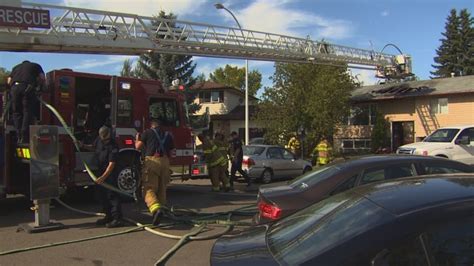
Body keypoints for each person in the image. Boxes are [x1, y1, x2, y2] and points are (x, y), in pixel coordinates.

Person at [135, 119, 174, 226]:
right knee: (162, 188)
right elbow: (171, 151)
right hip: (165, 162)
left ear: (152, 125)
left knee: (149, 188)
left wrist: (137, 139)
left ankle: (156, 209)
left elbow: (138, 147)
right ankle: (161, 210)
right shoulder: (168, 135)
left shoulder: (147, 132)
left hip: (152, 162)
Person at [81, 126, 122, 228]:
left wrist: (103, 177)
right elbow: (93, 147)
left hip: (110, 174)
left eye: (104, 135)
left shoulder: (113, 146)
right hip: (101, 171)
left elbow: (111, 164)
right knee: (102, 195)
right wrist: (82, 145)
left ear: (108, 134)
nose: (102, 137)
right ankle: (108, 216)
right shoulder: (99, 140)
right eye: (101, 136)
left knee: (112, 195)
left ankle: (117, 218)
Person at [7, 60, 45, 143]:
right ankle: (24, 136)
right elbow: (42, 77)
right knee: (27, 111)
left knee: (16, 112)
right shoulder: (36, 65)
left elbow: (9, 81)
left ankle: (18, 135)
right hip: (27, 88)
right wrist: (40, 88)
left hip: (15, 88)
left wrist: (14, 90)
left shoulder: (16, 67)